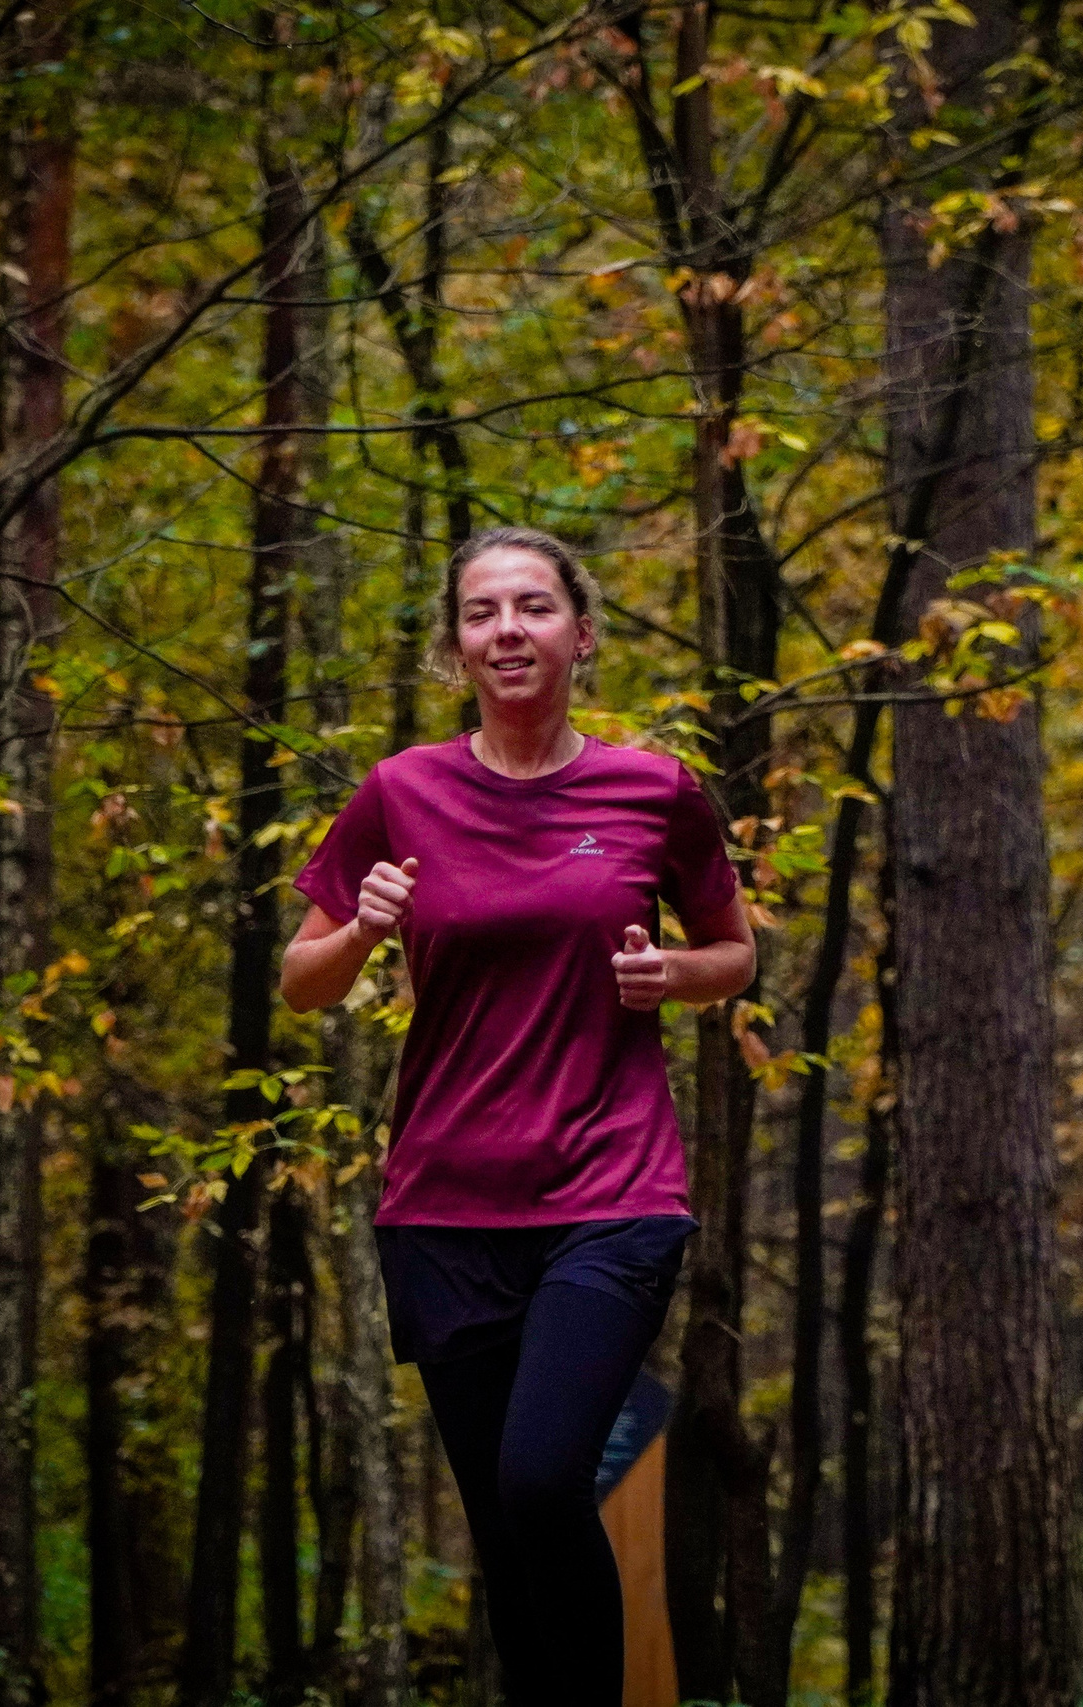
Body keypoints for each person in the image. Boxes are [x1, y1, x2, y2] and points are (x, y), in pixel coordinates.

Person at [279, 526, 756, 1706]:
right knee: (505, 1526)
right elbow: (301, 982)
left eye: (533, 607)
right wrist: (363, 929)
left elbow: (734, 954)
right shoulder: (400, 793)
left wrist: (671, 977)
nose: (508, 630)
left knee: (543, 1478)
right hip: (444, 1206)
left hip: (611, 1192)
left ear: (579, 635)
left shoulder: (655, 791)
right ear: (457, 647)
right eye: (482, 612)